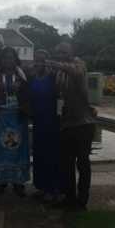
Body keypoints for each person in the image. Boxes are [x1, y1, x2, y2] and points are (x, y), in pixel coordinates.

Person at [47, 42, 96, 211]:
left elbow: (77, 72)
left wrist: (57, 64)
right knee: (66, 163)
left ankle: (82, 201)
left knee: (82, 163)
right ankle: (69, 197)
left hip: (83, 123)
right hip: (67, 124)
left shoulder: (79, 63)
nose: (60, 54)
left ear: (71, 52)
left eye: (63, 52)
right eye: (58, 52)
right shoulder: (60, 72)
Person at [0, 47, 29, 196]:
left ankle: (18, 182)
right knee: (0, 149)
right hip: (0, 118)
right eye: (5, 58)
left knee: (17, 149)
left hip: (18, 118)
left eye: (10, 58)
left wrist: (25, 110)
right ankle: (0, 181)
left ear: (15, 59)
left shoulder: (23, 75)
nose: (8, 60)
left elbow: (28, 95)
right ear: (1, 60)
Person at [28, 49, 61, 202]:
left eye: (42, 60)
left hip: (51, 122)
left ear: (47, 61)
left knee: (51, 156)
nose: (39, 63)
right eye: (37, 60)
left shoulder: (53, 78)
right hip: (38, 121)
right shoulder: (33, 77)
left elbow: (61, 97)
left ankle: (52, 188)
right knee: (39, 155)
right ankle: (41, 187)